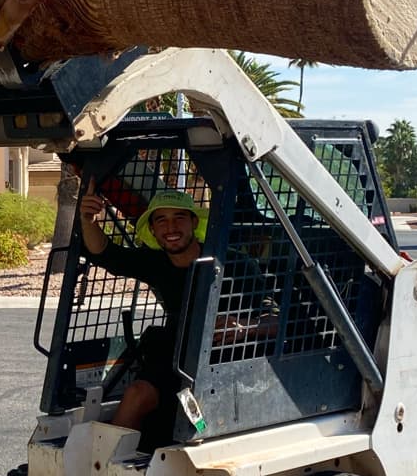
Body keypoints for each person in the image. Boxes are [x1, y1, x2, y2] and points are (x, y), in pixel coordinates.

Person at [79, 184, 276, 432]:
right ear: (152, 229)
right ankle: (104, 466)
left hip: (231, 366)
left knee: (198, 420)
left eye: (179, 218)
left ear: (194, 222)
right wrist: (88, 220)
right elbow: (106, 254)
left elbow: (276, 320)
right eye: (161, 220)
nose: (171, 228)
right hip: (179, 361)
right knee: (136, 394)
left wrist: (246, 329)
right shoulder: (156, 263)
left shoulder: (237, 264)